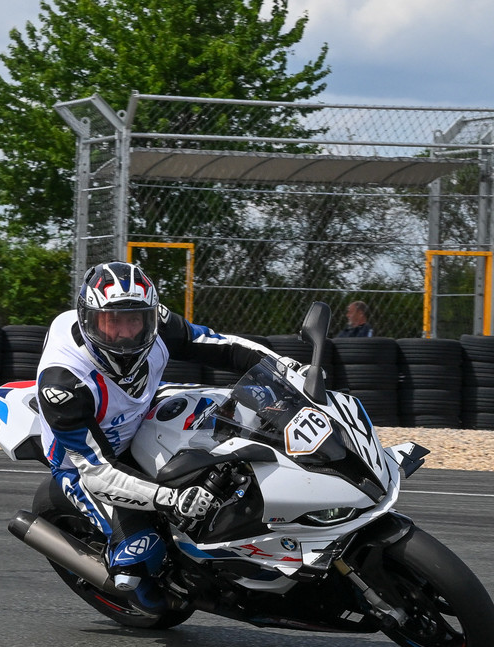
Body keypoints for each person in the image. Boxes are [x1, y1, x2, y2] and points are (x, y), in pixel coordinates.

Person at [34, 261, 299, 611]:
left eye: (135, 320)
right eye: (112, 322)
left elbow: (216, 343)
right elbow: (98, 472)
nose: (126, 334)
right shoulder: (63, 383)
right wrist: (170, 499)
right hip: (85, 461)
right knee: (142, 564)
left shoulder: (157, 323)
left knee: (246, 414)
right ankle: (128, 571)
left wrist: (285, 367)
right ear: (88, 321)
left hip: (142, 408)